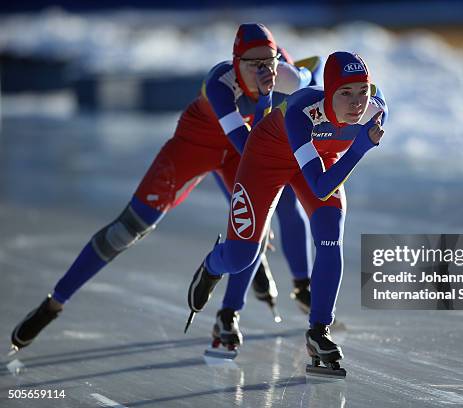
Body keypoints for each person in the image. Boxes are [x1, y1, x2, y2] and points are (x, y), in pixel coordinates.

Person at [10, 23, 320, 352]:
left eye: (268, 63)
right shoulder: (220, 82)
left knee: (257, 227)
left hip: (239, 151)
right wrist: (268, 101)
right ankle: (52, 305)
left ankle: (229, 313)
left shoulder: (282, 71)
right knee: (127, 229)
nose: (263, 72)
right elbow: (250, 147)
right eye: (252, 64)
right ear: (235, 62)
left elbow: (310, 81)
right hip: (195, 145)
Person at [186, 51, 387, 376]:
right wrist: (361, 147)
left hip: (317, 161)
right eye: (345, 93)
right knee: (243, 254)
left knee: (330, 238)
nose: (357, 103)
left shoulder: (377, 112)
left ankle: (318, 331)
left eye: (363, 91)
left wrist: (358, 143)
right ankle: (215, 272)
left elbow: (321, 181)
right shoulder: (302, 112)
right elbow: (321, 186)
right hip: (266, 159)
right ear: (328, 91)